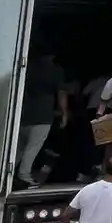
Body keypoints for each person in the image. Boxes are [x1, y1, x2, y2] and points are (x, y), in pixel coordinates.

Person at [16, 51, 69, 188]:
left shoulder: (28, 69)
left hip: (24, 114)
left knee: (20, 147)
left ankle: (7, 173)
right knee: (32, 147)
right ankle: (24, 175)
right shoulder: (55, 71)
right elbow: (61, 93)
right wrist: (64, 113)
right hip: (43, 115)